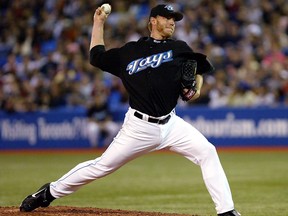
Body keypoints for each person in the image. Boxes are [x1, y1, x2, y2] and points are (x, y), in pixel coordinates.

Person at [20, 4, 240, 216]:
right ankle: (49, 192)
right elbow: (96, 57)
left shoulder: (180, 48)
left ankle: (226, 211)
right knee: (101, 167)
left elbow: (199, 72)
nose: (172, 22)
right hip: (139, 127)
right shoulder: (130, 51)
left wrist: (196, 89)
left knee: (207, 152)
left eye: (174, 19)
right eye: (167, 18)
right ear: (153, 21)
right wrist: (98, 23)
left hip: (171, 124)